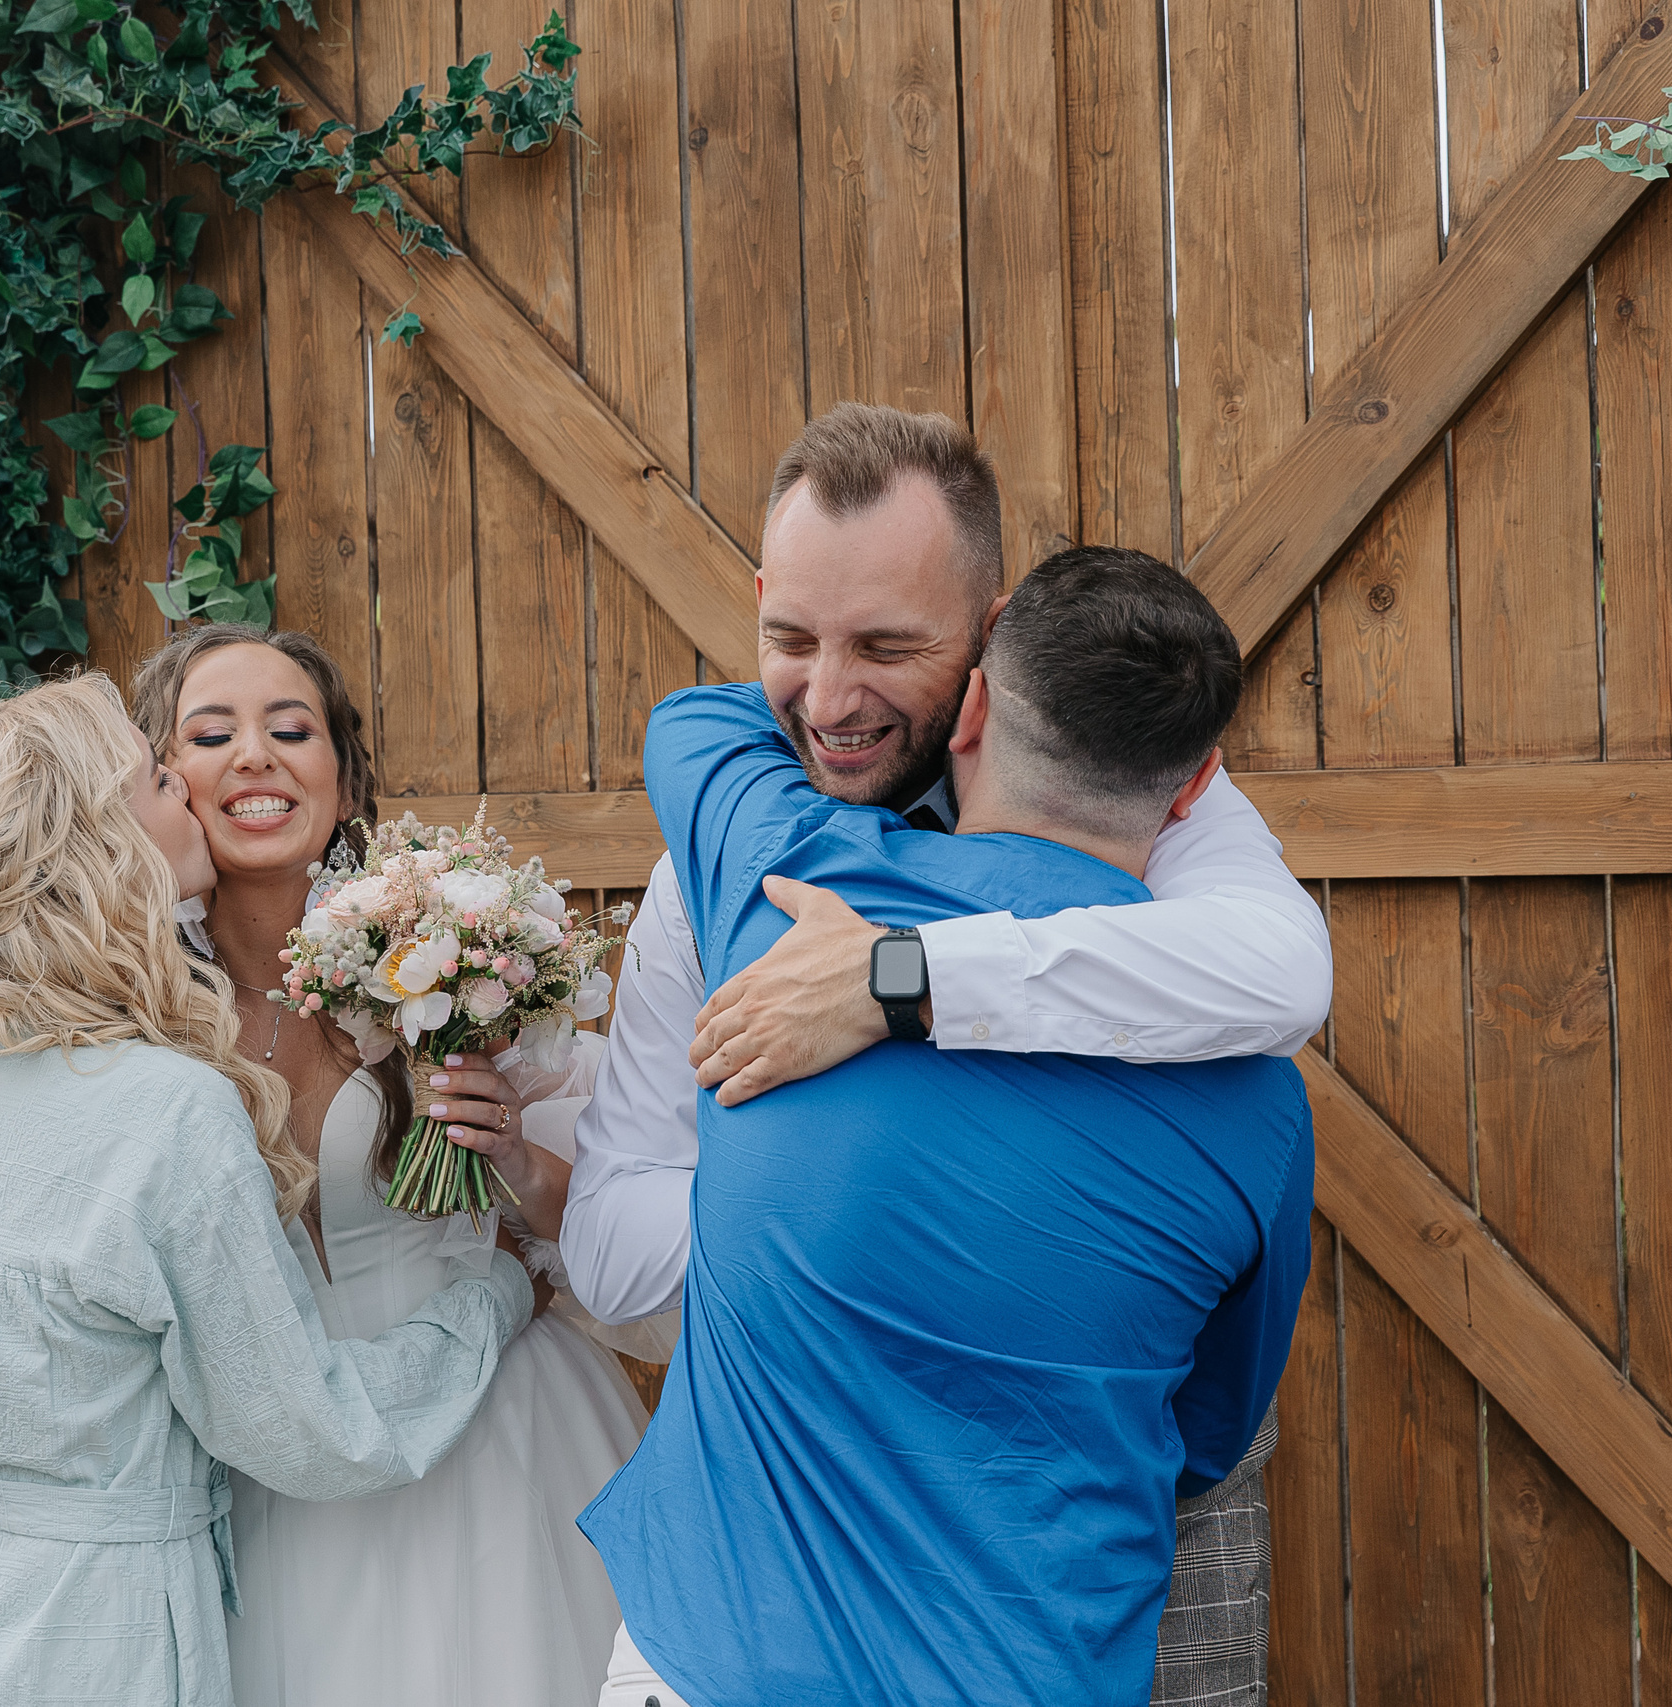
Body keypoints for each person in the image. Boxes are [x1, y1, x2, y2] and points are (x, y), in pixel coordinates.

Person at [561, 405, 1328, 1705]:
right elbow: (612, 1245)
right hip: (807, 1623)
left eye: (887, 645)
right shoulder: (725, 866)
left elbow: (1285, 972)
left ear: (987, 651)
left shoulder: (786, 873)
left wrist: (895, 988)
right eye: (790, 639)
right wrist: (807, 1236)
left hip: (1067, 1594)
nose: (829, 699)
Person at [0, 675, 536, 1707]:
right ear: (101, 846)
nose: (188, 781)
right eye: (157, 778)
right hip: (100, 1633)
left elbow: (12, 1337)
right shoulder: (170, 1109)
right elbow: (308, 1429)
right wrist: (496, 1297)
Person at [129, 625, 651, 1707]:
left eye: (292, 729)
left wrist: (511, 1156)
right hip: (274, 1473)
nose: (256, 755)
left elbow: (599, 1218)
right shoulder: (136, 1011)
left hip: (498, 1451)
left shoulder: (452, 958)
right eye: (212, 734)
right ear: (162, 782)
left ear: (346, 776)